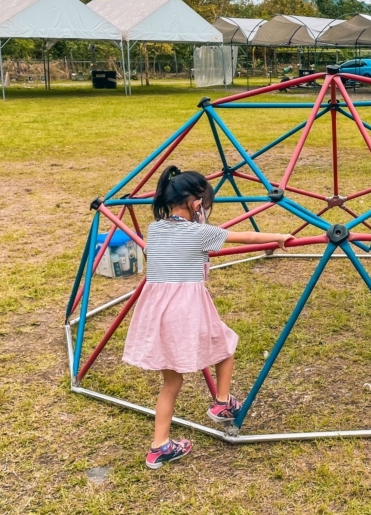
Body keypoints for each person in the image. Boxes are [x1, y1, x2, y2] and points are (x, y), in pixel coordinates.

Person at [122, 166, 295, 469]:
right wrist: (280, 236)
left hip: (155, 312)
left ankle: (159, 446)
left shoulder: (155, 229)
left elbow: (157, 253)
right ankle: (221, 403)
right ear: (196, 204)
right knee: (225, 346)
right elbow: (245, 236)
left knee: (171, 382)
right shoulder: (200, 232)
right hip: (185, 308)